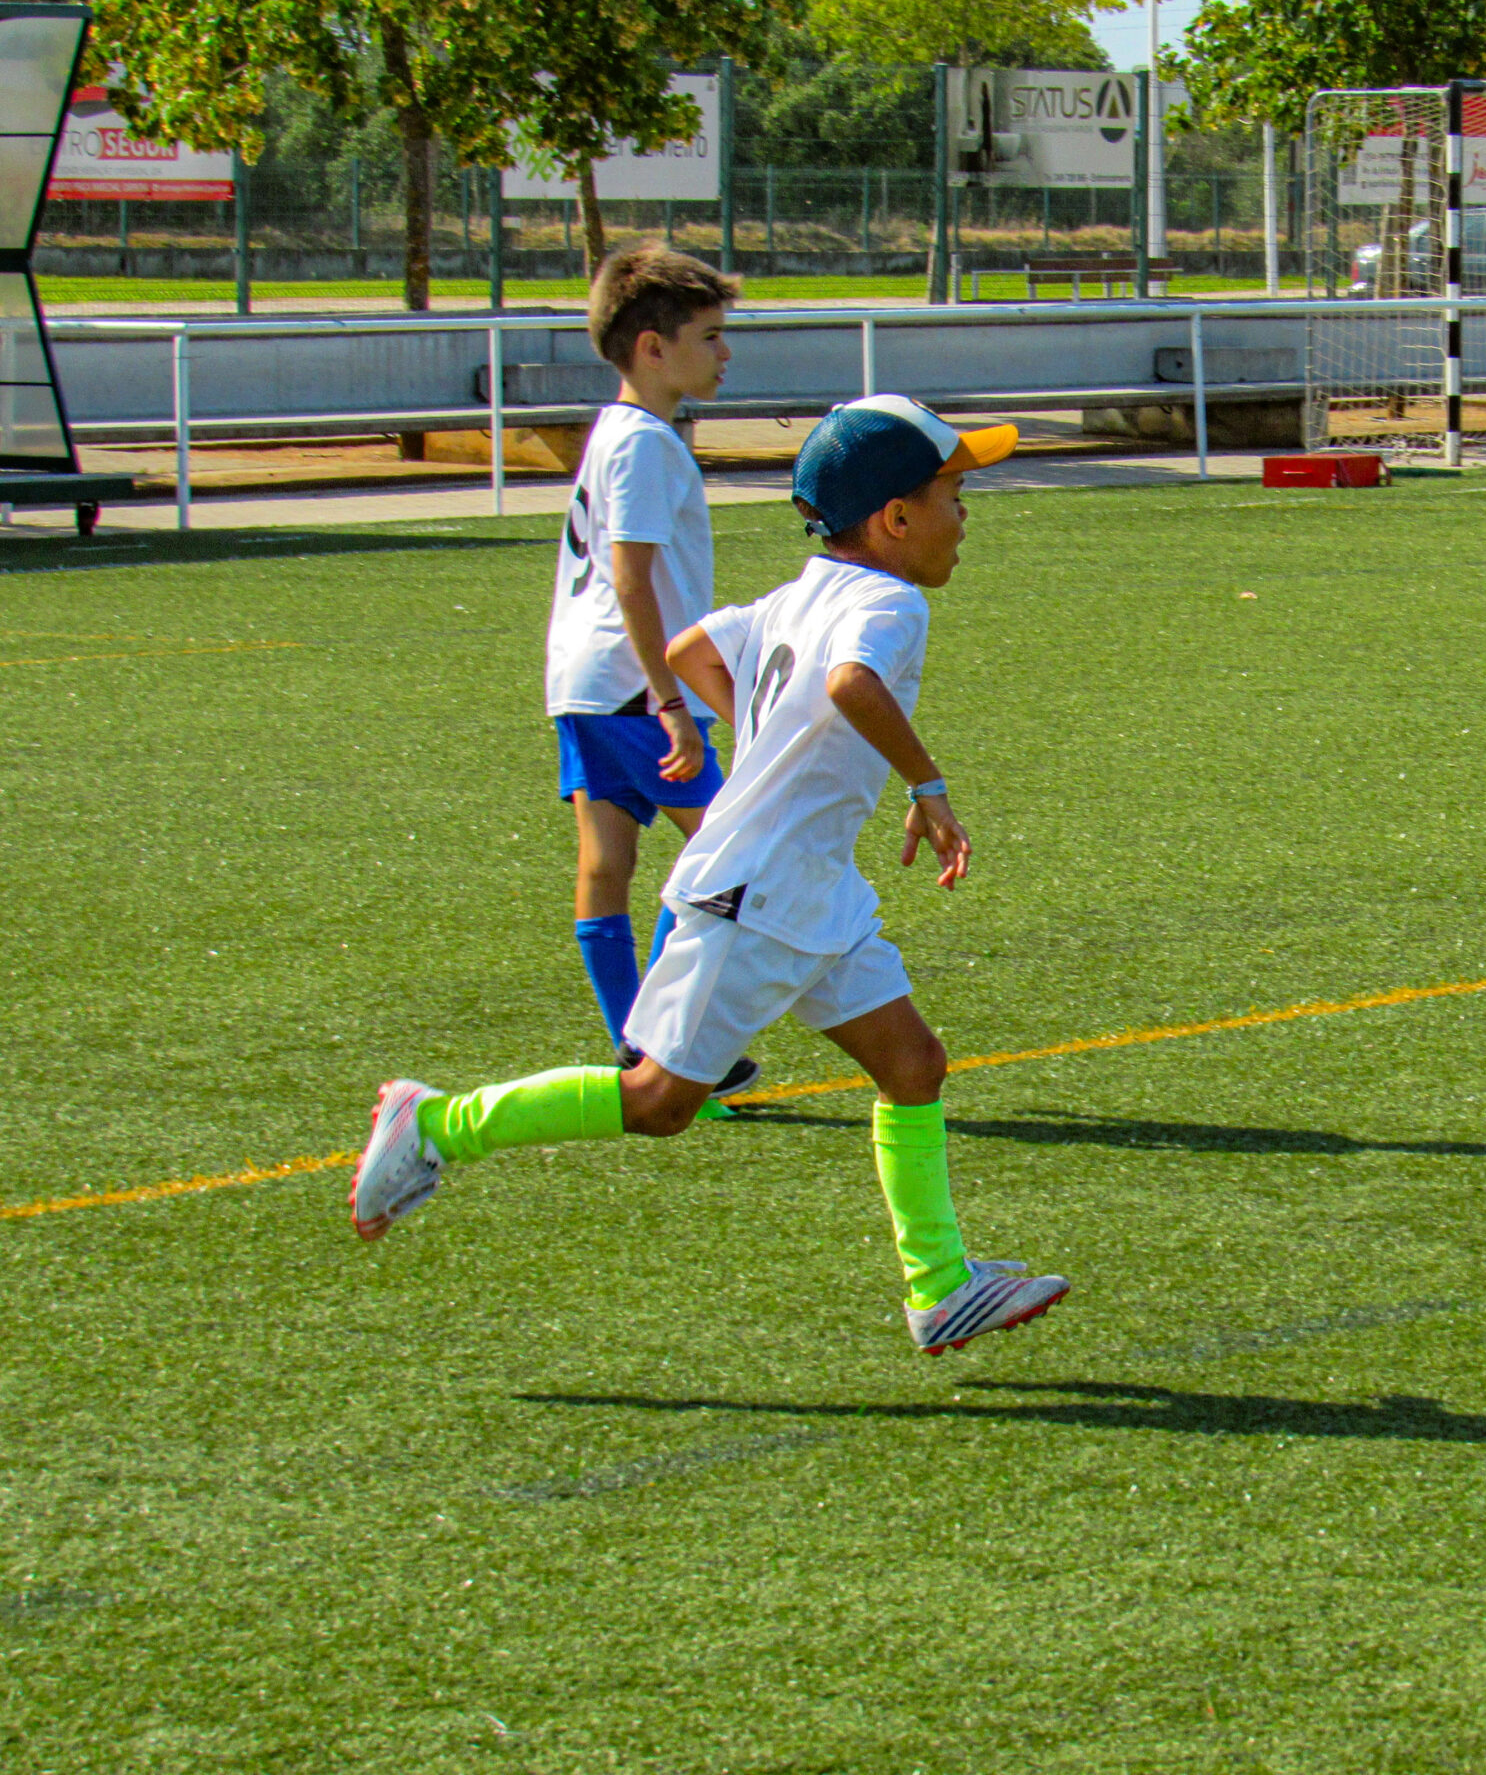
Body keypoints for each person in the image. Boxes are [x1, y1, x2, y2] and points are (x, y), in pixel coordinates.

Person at [353, 395, 1069, 1356]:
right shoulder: (891, 602)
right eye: (954, 491)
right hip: (758, 893)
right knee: (659, 1103)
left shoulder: (796, 593)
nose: (966, 512)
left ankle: (940, 1287)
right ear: (895, 519)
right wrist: (927, 786)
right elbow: (851, 684)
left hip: (806, 889)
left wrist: (761, 733)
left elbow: (689, 653)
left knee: (914, 1065)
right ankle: (437, 1123)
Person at [546, 244, 756, 1095]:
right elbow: (630, 576)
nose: (725, 352)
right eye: (710, 336)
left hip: (586, 682)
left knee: (607, 865)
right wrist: (670, 700)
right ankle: (662, 1042)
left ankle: (636, 1044)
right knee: (728, 852)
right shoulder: (644, 445)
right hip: (636, 690)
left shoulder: (618, 433)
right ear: (651, 348)